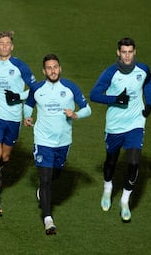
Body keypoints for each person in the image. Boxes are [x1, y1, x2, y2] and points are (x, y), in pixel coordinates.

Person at [24, 54, 91, 235]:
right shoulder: (37, 88)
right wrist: (27, 117)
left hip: (63, 142)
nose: (53, 71)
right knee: (45, 179)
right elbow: (29, 104)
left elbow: (87, 109)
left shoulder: (70, 87)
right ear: (44, 71)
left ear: (60, 68)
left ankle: (42, 190)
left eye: (55, 67)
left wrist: (76, 114)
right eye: (49, 68)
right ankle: (48, 219)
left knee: (55, 174)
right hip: (43, 141)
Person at [90, 37, 151, 222]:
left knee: (134, 162)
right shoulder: (111, 72)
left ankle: (125, 200)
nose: (127, 56)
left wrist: (148, 103)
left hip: (136, 122)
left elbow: (148, 82)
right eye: (123, 52)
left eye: (130, 52)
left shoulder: (143, 70)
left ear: (135, 52)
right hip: (115, 125)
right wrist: (115, 99)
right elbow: (94, 95)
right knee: (111, 161)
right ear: (118, 52)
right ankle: (108, 188)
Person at [0, 31, 37, 217]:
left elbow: (36, 89)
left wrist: (18, 96)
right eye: (1, 43)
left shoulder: (21, 67)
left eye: (7, 43)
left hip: (13, 120)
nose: (4, 46)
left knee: (5, 158)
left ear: (12, 47)